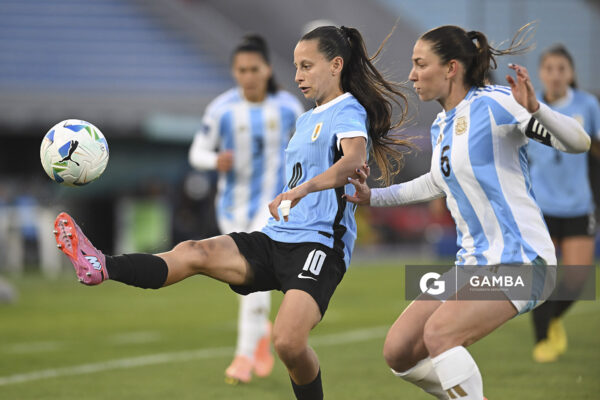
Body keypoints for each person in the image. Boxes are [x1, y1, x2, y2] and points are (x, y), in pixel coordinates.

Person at [53, 25, 412, 400]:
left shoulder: (348, 109)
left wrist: (303, 189)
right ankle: (101, 265)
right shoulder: (306, 119)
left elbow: (353, 158)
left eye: (307, 66)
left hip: (319, 247)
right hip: (276, 237)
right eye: (295, 66)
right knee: (195, 251)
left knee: (288, 344)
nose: (298, 75)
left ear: (336, 64)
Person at [345, 25, 590, 399]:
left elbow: (579, 142)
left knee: (440, 334)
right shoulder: (442, 124)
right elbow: (433, 183)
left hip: (523, 263)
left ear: (451, 68)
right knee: (399, 351)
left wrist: (536, 108)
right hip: (471, 265)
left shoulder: (497, 102)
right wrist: (372, 197)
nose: (411, 74)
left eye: (419, 64)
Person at [188, 34, 304, 384]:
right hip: (230, 207)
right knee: (241, 277)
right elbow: (197, 152)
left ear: (267, 69)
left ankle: (242, 358)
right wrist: (214, 160)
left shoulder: (287, 108)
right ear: (234, 72)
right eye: (242, 70)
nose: (248, 75)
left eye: (255, 69)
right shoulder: (221, 109)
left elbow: (302, 152)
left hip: (272, 205)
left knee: (253, 276)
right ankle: (260, 336)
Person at [526, 44, 600, 363]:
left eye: (561, 69)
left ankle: (553, 318)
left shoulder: (587, 105)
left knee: (577, 279)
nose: (555, 75)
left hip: (579, 205)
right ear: (541, 73)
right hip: (539, 207)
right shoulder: (527, 107)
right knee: (542, 278)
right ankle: (542, 339)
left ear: (570, 73)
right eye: (549, 69)